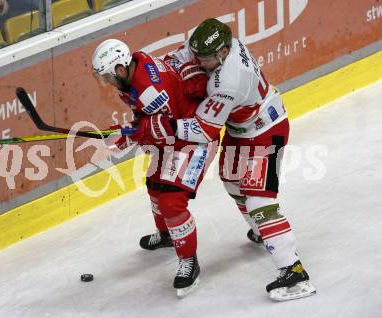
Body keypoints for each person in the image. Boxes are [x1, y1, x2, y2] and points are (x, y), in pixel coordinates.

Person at [134, 18, 316, 301]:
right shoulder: (210, 40)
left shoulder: (230, 80)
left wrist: (166, 126)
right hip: (240, 129)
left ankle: (294, 272)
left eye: (204, 59)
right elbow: (182, 56)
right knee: (232, 182)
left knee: (258, 200)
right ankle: (262, 232)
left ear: (221, 53)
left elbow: (204, 129)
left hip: (266, 130)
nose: (199, 62)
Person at [91, 39, 216, 298]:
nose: (107, 83)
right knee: (154, 185)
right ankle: (168, 235)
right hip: (175, 133)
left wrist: (124, 135)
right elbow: (147, 121)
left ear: (120, 69)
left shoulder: (149, 89)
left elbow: (162, 129)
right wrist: (125, 134)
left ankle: (189, 262)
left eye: (107, 76)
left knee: (171, 201)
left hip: (193, 136)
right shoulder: (134, 71)